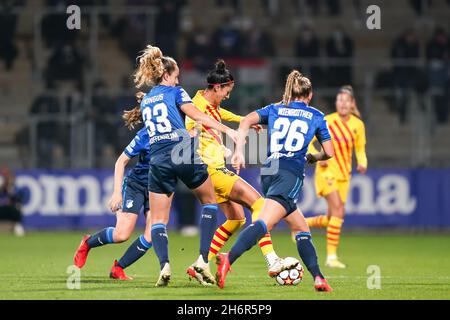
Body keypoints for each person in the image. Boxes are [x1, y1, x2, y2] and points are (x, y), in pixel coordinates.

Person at [120, 45, 238, 287]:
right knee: (209, 202)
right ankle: (204, 260)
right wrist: (228, 131)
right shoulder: (176, 92)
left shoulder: (146, 101)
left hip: (159, 159)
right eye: (176, 77)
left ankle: (164, 265)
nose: (178, 80)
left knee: (159, 221)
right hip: (182, 150)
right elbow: (198, 116)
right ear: (166, 76)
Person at [216, 70, 334, 292]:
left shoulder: (275, 108)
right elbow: (329, 151)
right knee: (263, 223)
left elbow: (246, 121)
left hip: (269, 169)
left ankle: (318, 277)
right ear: (310, 95)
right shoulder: (316, 115)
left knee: (301, 227)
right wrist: (313, 157)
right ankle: (228, 258)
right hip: (289, 171)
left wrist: (239, 150)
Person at [185, 60, 292, 285]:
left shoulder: (205, 102)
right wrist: (210, 138)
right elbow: (194, 124)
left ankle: (200, 263)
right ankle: (272, 260)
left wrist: (242, 121)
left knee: (236, 219)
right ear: (217, 87)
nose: (227, 95)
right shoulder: (196, 108)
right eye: (226, 91)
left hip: (212, 172)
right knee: (260, 205)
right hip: (213, 170)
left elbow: (219, 113)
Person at [73, 127, 154, 281]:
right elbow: (120, 162)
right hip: (136, 186)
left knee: (151, 236)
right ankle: (88, 243)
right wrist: (117, 193)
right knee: (121, 235)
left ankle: (118, 268)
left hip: (157, 189)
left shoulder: (178, 134)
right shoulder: (145, 134)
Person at [305, 85, 367, 268]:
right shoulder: (326, 120)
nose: (343, 103)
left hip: (344, 175)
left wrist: (363, 162)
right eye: (340, 100)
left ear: (352, 103)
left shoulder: (358, 125)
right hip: (326, 172)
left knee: (332, 217)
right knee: (339, 211)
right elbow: (309, 141)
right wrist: (318, 157)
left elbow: (360, 149)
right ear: (336, 103)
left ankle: (300, 224)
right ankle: (331, 258)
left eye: (346, 101)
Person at [0, 167, 25, 237]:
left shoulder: (13, 188)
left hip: (9, 209)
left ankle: (18, 227)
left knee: (17, 209)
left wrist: (11, 192)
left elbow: (19, 199)